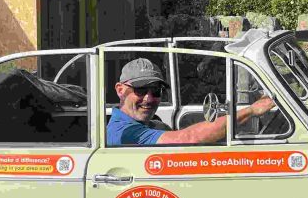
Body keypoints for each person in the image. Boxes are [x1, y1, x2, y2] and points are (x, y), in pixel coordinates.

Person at [107, 58, 275, 146]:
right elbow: (189, 137)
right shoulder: (124, 133)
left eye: (156, 91)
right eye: (141, 90)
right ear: (120, 90)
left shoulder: (149, 125)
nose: (149, 98)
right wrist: (252, 111)